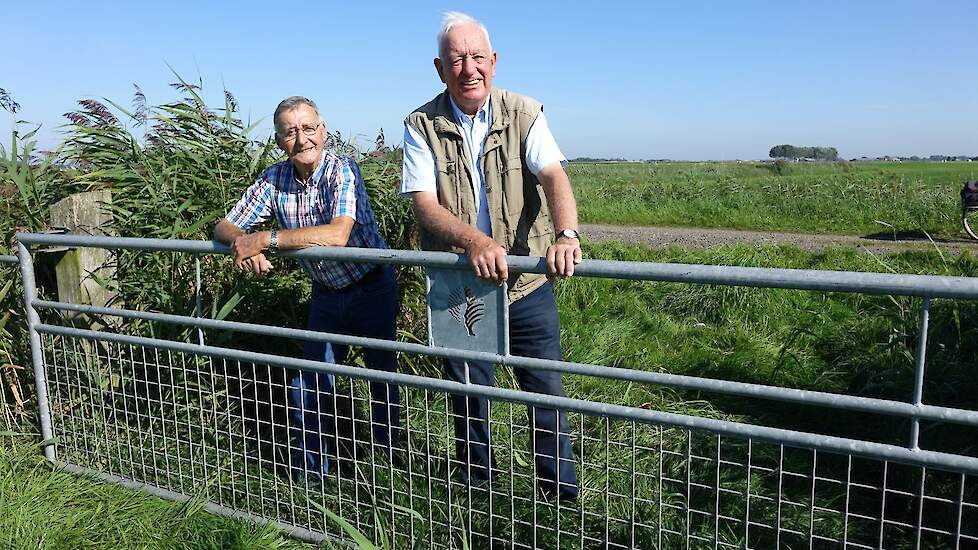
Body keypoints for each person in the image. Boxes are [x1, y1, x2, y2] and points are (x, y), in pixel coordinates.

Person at [400, 12, 581, 500]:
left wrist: (566, 234)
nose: (469, 68)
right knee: (468, 391)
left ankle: (558, 494)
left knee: (545, 388)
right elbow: (423, 203)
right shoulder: (421, 123)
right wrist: (474, 243)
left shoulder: (524, 112)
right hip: (461, 283)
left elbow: (552, 175)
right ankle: (477, 485)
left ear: (494, 62)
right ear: (440, 69)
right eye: (457, 59)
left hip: (526, 283)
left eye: (477, 57)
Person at [214, 96, 400, 479]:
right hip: (326, 294)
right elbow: (225, 224)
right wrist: (242, 244)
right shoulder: (273, 178)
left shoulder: (342, 170)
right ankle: (311, 476)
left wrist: (265, 239)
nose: (302, 139)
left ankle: (390, 462)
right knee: (308, 381)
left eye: (308, 128)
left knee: (382, 375)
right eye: (290, 132)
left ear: (324, 131)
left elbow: (338, 233)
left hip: (371, 286)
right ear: (280, 140)